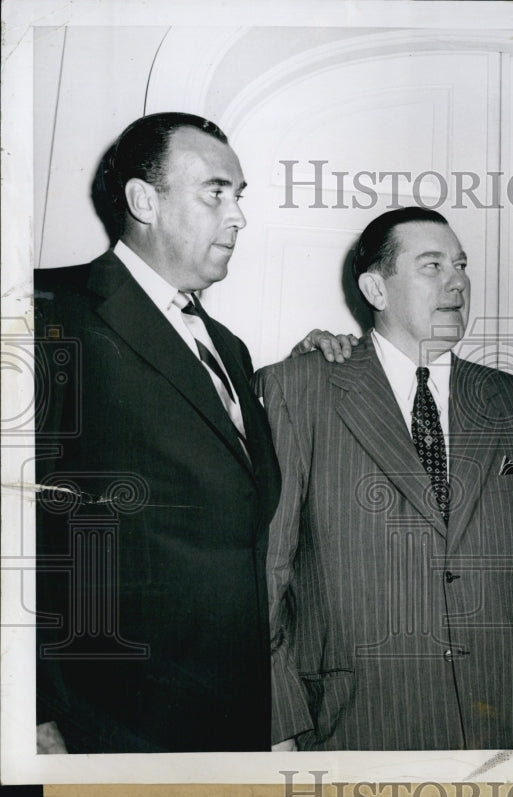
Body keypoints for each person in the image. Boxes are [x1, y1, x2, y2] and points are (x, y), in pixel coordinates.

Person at [34, 112, 333, 753]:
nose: (238, 217)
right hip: (106, 723)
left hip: (230, 721)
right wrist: (32, 713)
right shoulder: (48, 311)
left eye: (239, 196)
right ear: (144, 200)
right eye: (216, 192)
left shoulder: (230, 348)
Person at [259, 206, 513, 751]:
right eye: (432, 265)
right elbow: (265, 574)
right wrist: (282, 726)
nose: (458, 282)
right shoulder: (298, 390)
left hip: (502, 728)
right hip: (353, 730)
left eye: (461, 265)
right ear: (376, 288)